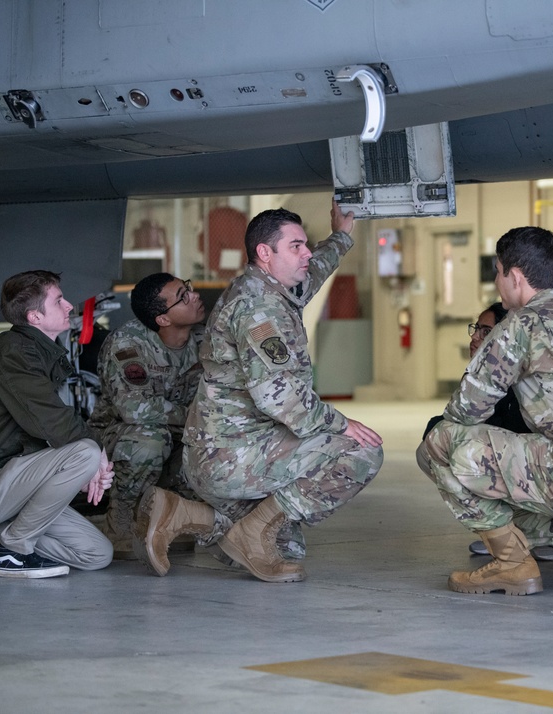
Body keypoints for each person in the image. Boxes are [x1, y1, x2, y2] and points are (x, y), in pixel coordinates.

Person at [136, 200, 383, 582]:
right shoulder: (258, 308)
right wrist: (339, 423)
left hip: (228, 450)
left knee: (286, 547)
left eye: (305, 245)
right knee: (361, 451)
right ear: (265, 253)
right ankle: (248, 530)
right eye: (296, 246)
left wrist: (340, 237)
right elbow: (279, 397)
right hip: (230, 456)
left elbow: (312, 272)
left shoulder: (266, 285)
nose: (306, 254)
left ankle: (186, 514)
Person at [418, 226, 553, 597]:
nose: (498, 283)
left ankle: (511, 563)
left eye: (498, 273)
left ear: (514, 276)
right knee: (493, 465)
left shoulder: (520, 326)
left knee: (440, 443)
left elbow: (466, 411)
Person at [0, 270, 114, 578]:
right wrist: (95, 459)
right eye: (59, 301)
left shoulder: (36, 353)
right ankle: (13, 550)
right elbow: (50, 421)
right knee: (84, 452)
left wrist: (81, 470)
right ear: (34, 316)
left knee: (96, 554)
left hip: (9, 487)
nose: (70, 306)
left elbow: (40, 432)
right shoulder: (14, 353)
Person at [420, 303, 553, 562]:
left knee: (456, 450)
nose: (474, 337)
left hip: (551, 472)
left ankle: (548, 534)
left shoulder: (522, 378)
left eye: (484, 330)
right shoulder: (481, 374)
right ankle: (504, 532)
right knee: (437, 445)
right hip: (530, 470)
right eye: (475, 329)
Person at [88, 272, 208, 555]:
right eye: (183, 296)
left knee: (211, 443)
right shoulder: (128, 344)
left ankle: (174, 519)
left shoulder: (207, 340)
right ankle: (121, 523)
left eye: (187, 288)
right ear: (163, 320)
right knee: (150, 439)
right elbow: (134, 409)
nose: (195, 296)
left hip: (176, 433)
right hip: (118, 440)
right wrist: (194, 417)